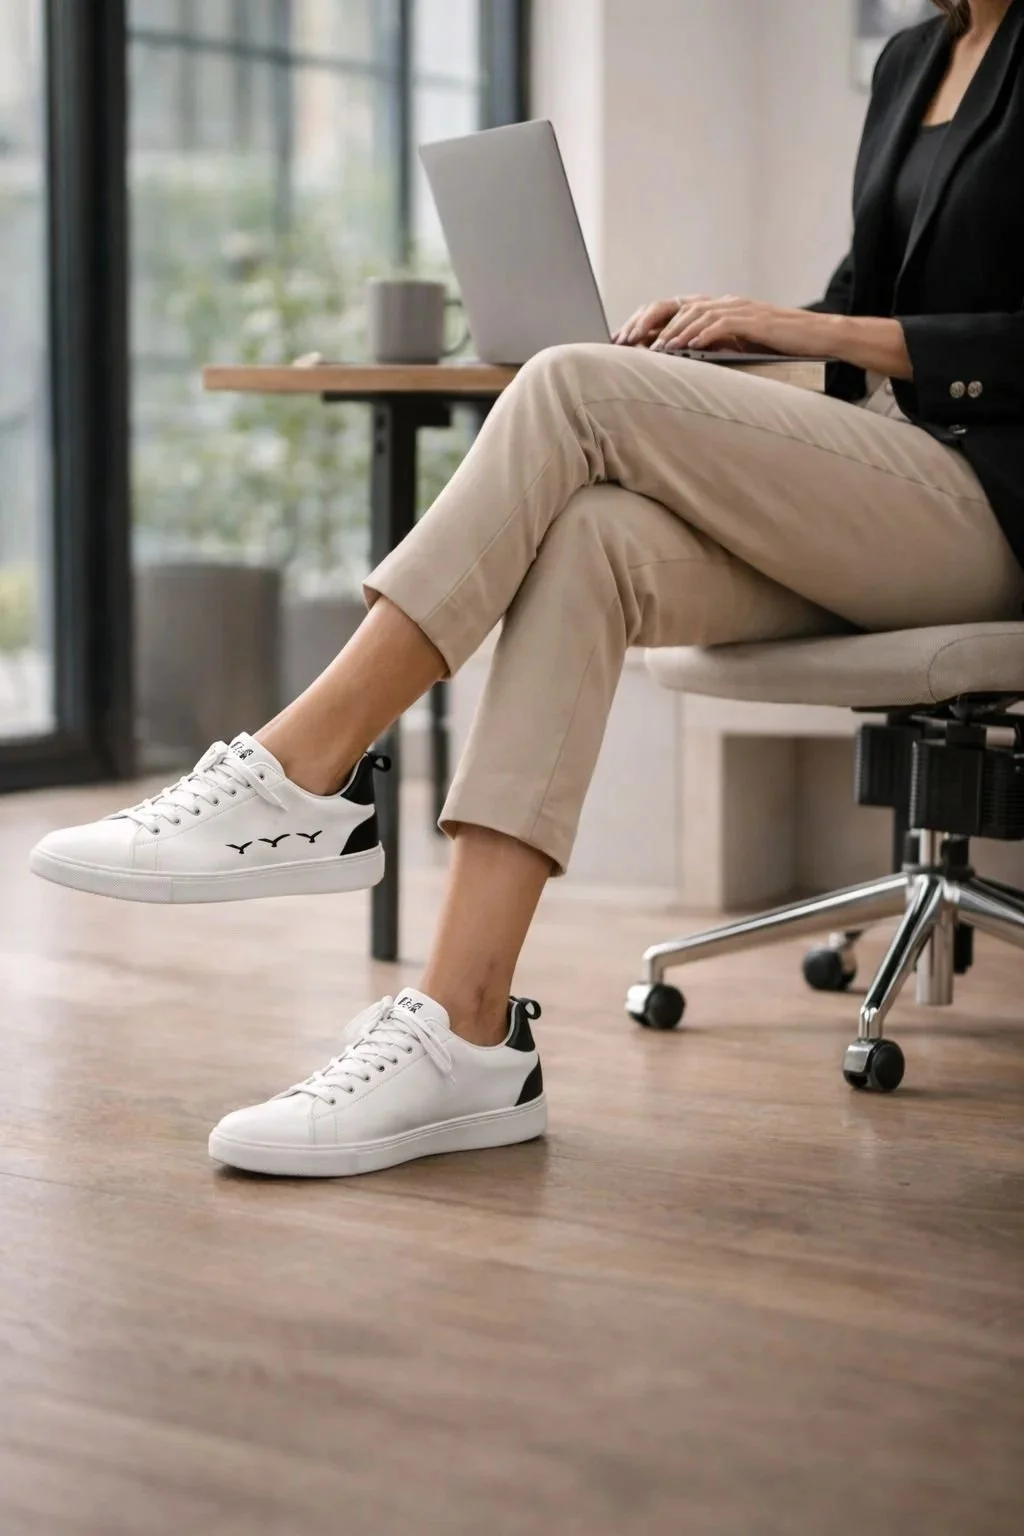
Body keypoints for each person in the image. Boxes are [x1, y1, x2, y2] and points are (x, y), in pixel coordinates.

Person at [31, 0, 1024, 1177]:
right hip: (874, 499)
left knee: (570, 386)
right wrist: (717, 351)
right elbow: (858, 294)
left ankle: (304, 770)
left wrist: (798, 326)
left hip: (986, 512)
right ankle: (466, 1028)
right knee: (592, 535)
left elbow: (880, 327)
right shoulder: (913, 59)